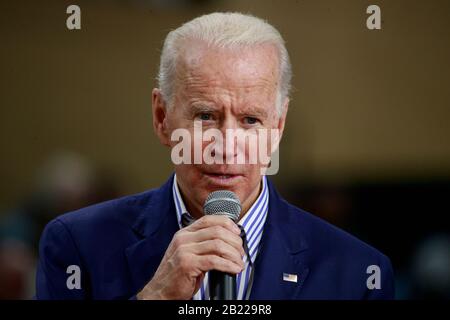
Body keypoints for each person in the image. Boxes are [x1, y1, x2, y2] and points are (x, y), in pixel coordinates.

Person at [36, 12, 394, 300]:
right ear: (162, 117)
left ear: (278, 127)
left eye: (251, 120)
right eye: (205, 116)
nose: (226, 144)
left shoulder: (359, 272)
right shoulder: (76, 246)